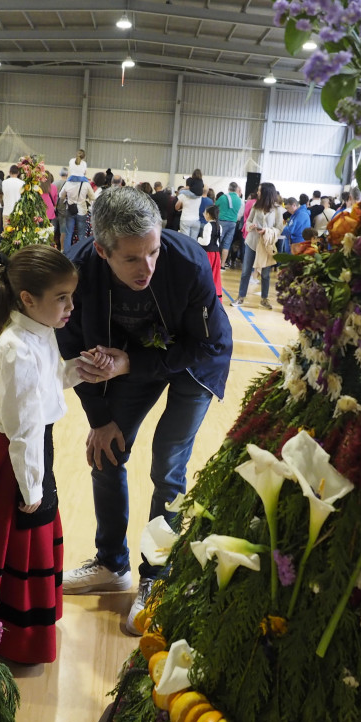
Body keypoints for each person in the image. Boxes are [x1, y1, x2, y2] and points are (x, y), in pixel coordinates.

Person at [56, 186, 233, 635]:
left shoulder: (189, 263)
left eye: (153, 252)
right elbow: (72, 348)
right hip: (125, 364)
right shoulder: (78, 272)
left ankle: (155, 576)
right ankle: (111, 563)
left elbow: (203, 343)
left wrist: (132, 361)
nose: (147, 267)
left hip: (193, 361)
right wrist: (99, 418)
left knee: (168, 467)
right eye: (132, 259)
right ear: (101, 249)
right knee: (106, 453)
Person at [0, 245, 111, 664]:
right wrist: (32, 489)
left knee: (25, 540)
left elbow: (49, 381)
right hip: (13, 459)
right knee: (17, 539)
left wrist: (80, 368)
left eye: (71, 296)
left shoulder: (38, 333)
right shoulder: (16, 348)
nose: (70, 307)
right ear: (27, 298)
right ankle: (5, 635)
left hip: (28, 450)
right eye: (61, 297)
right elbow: (23, 430)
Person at [236, 182, 282, 309]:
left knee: (265, 274)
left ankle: (264, 298)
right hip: (252, 242)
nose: (258, 192)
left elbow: (279, 228)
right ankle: (241, 297)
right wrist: (250, 226)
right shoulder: (256, 205)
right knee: (245, 271)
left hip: (266, 244)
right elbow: (249, 220)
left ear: (266, 192)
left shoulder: (277, 209)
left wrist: (266, 231)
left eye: (260, 191)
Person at [58, 172, 97, 248]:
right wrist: (85, 199)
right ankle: (80, 254)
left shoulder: (68, 183)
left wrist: (69, 198)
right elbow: (93, 197)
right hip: (82, 211)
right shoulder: (86, 184)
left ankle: (67, 254)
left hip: (70, 210)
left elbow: (61, 195)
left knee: (68, 233)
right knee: (81, 234)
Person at [215, 182, 242, 268]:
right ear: (236, 189)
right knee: (227, 244)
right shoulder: (239, 200)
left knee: (218, 242)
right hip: (233, 223)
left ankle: (216, 263)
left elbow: (215, 206)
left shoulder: (223, 197)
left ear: (229, 188)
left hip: (222, 221)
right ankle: (222, 265)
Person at [198, 203, 222, 298]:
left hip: (208, 254)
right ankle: (216, 295)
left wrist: (198, 239)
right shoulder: (219, 226)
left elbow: (206, 242)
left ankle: (204, 294)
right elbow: (218, 242)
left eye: (205, 213)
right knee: (215, 276)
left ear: (208, 214)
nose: (204, 214)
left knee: (206, 274)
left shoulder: (208, 226)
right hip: (216, 254)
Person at [1, 164, 24, 228]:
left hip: (6, 211)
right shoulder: (22, 183)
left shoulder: (4, 182)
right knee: (16, 234)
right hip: (18, 212)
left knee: (6, 234)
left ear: (9, 172)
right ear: (18, 173)